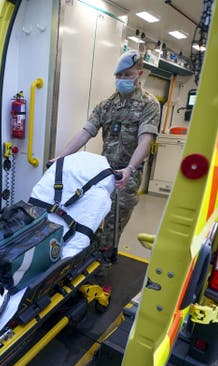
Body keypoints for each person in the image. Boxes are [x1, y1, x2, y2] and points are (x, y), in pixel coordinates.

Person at [54, 50, 160, 271]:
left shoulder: (148, 104)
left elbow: (145, 139)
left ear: (139, 74)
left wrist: (130, 169)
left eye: (128, 75)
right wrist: (60, 157)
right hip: (102, 175)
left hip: (125, 178)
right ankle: (86, 262)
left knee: (113, 225)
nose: (122, 80)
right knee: (90, 218)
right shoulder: (106, 105)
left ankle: (103, 268)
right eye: (119, 75)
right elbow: (85, 133)